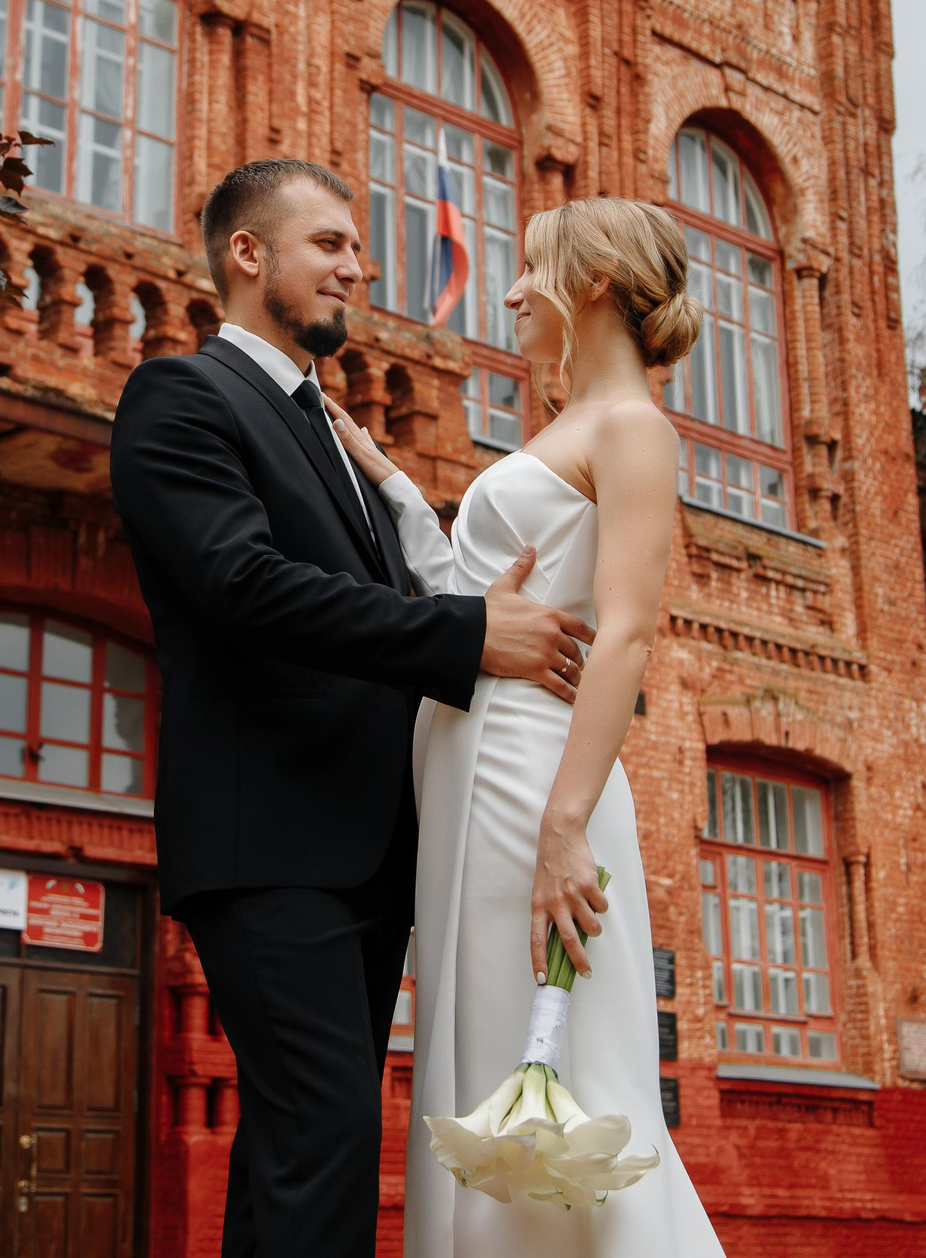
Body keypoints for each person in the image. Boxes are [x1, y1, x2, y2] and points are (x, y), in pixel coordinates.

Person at [109, 159, 597, 1258]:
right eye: (329, 244)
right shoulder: (181, 395)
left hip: (364, 849)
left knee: (307, 1138)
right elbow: (244, 588)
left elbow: (375, 598)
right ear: (248, 254)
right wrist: (469, 639)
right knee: (320, 1132)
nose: (357, 268)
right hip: (269, 841)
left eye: (358, 249)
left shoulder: (323, 423)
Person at [327, 196, 728, 1256]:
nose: (509, 293)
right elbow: (479, 586)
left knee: (550, 1059)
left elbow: (628, 634)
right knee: (474, 1040)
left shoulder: (633, 428)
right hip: (470, 764)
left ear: (592, 282)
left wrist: (565, 827)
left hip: (529, 777)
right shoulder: (563, 427)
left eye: (529, 269)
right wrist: (390, 483)